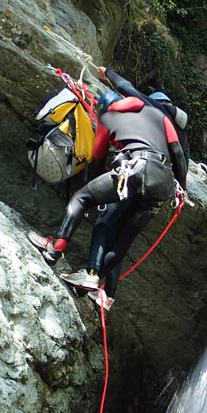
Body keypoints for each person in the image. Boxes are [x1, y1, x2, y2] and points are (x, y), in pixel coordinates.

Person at [28, 85, 188, 310]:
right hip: (164, 184)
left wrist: (98, 178)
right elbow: (178, 153)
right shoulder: (158, 116)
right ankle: (94, 280)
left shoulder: (107, 116)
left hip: (135, 169)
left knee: (82, 198)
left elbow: (98, 157)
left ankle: (56, 248)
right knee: (123, 239)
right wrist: (184, 187)